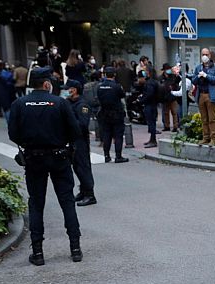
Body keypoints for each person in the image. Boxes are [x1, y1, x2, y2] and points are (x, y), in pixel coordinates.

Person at [8, 67, 83, 265]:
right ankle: (75, 249)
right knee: (67, 201)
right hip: (59, 158)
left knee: (36, 203)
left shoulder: (19, 104)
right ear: (47, 84)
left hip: (34, 160)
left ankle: (38, 252)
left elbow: (13, 134)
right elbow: (75, 131)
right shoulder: (60, 103)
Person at [63, 79, 96, 207]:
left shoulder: (82, 105)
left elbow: (82, 125)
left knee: (83, 167)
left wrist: (69, 117)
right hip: (70, 140)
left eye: (68, 89)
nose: (66, 91)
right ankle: (83, 190)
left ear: (74, 90)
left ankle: (90, 194)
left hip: (80, 140)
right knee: (76, 167)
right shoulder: (69, 103)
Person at [192, 48, 215, 145]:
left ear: (210, 55)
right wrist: (198, 77)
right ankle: (205, 137)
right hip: (201, 94)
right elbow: (193, 80)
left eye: (206, 54)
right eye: (203, 54)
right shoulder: (198, 68)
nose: (204, 56)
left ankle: (213, 138)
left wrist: (207, 76)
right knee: (204, 118)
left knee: (212, 118)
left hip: (211, 95)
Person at [97, 66, 129, 163]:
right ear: (114, 75)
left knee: (107, 134)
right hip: (116, 113)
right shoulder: (117, 86)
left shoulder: (100, 86)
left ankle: (107, 156)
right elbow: (122, 95)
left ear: (105, 74)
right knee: (118, 134)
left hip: (104, 113)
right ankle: (118, 156)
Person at [160, 63, 180, 132]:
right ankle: (166, 126)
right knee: (165, 113)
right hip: (164, 98)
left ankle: (175, 126)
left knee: (174, 112)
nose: (169, 70)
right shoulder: (161, 78)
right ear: (164, 70)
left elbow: (177, 84)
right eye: (167, 69)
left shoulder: (173, 76)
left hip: (173, 97)